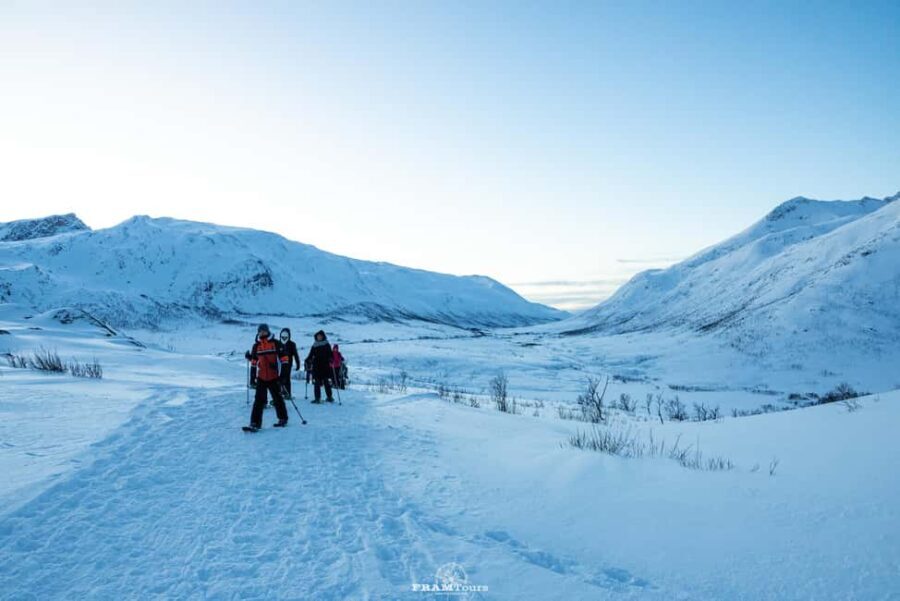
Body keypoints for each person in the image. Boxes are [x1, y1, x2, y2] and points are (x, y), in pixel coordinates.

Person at [245, 323, 289, 429]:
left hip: (274, 377)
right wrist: (252, 378)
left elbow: (285, 360)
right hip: (261, 377)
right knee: (258, 400)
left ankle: (283, 418)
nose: (262, 333)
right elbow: (255, 362)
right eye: (260, 331)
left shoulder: (276, 343)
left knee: (277, 398)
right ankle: (255, 423)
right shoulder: (256, 346)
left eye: (264, 331)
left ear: (268, 331)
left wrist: (283, 376)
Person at [305, 330, 334, 403]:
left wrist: (331, 359)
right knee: (317, 383)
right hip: (316, 366)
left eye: (320, 336)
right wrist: (307, 360)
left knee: (326, 382)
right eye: (318, 336)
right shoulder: (314, 345)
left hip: (325, 366)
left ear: (323, 336)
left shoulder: (327, 345)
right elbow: (311, 355)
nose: (319, 337)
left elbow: (330, 354)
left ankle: (329, 397)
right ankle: (317, 398)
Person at [279, 327, 301, 400]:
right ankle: (280, 393)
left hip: (288, 364)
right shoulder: (278, 343)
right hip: (279, 364)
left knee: (286, 379)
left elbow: (295, 354)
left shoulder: (292, 344)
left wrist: (298, 364)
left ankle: (287, 393)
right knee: (279, 379)